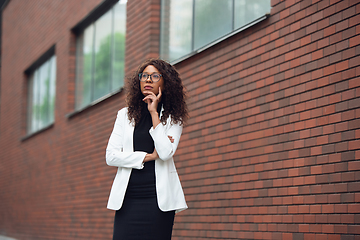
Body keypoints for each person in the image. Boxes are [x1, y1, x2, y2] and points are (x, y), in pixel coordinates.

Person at [105, 58, 188, 240]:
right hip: (128, 199)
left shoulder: (173, 118)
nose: (148, 80)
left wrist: (153, 113)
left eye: (155, 76)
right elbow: (111, 156)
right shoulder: (124, 115)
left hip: (158, 202)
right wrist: (147, 157)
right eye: (144, 76)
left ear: (165, 83)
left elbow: (165, 153)